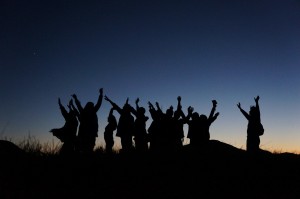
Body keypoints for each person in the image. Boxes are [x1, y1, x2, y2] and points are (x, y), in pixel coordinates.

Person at [71, 88, 103, 154]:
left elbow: (78, 106)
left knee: (85, 149)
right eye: (91, 105)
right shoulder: (92, 111)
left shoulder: (85, 112)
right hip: (87, 134)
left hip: (87, 134)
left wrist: (75, 99)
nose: (92, 106)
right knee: (87, 149)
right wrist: (101, 94)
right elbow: (98, 104)